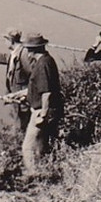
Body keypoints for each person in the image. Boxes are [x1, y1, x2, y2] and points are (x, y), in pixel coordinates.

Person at [7, 32, 63, 175]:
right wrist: (18, 94)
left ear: (32, 49)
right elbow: (37, 88)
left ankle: (34, 175)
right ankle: (45, 173)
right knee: (41, 147)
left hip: (40, 112)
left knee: (28, 148)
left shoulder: (42, 64)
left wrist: (43, 114)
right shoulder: (46, 61)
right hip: (45, 110)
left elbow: (46, 92)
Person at [0, 27, 31, 131]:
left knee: (23, 126)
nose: (4, 42)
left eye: (5, 39)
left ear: (11, 40)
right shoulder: (15, 53)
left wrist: (24, 94)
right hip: (16, 99)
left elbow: (32, 77)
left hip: (23, 101)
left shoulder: (24, 54)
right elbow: (6, 57)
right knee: (19, 124)